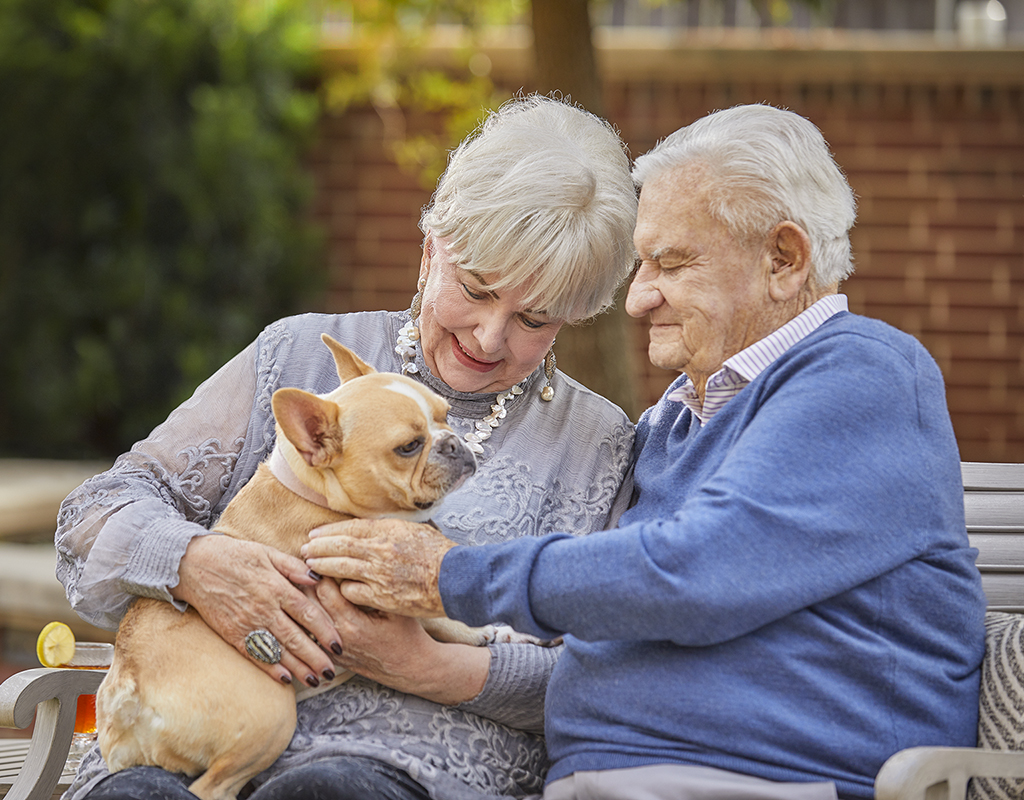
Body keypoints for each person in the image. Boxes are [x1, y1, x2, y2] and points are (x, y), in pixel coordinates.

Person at [303, 103, 987, 800]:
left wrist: (449, 577)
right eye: (642, 263)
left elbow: (697, 572)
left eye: (671, 262)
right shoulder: (674, 424)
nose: (637, 299)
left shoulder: (861, 374)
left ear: (783, 260)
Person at [54, 94, 640, 800]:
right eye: (477, 290)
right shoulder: (297, 356)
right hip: (185, 751)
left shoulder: (598, 445)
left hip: (405, 773)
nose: (489, 337)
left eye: (535, 319)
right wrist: (198, 563)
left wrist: (429, 665)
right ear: (432, 250)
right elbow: (91, 518)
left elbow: (610, 681)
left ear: (576, 315)